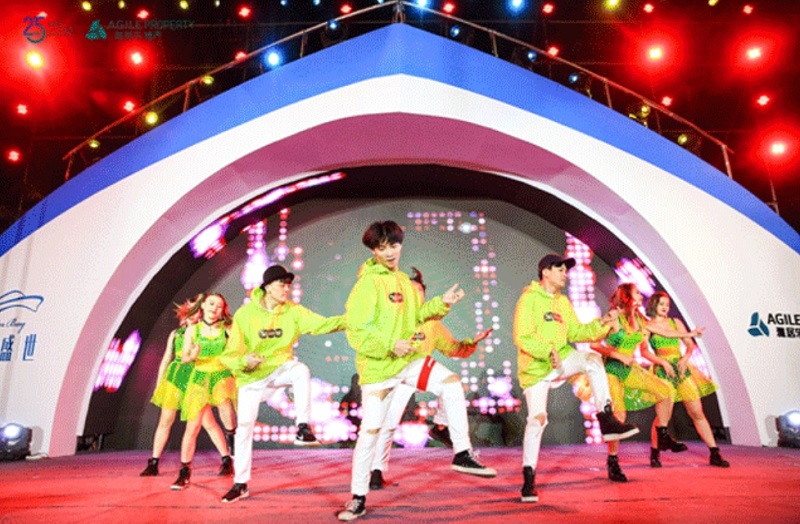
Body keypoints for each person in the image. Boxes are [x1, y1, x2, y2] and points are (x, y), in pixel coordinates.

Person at [337, 221, 494, 522]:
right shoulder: (367, 285)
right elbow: (356, 331)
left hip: (407, 361)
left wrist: (441, 304)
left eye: (394, 245)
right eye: (382, 247)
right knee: (371, 432)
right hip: (379, 368)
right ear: (374, 250)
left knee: (451, 383)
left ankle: (462, 452)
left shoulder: (403, 283)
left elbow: (417, 316)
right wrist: (388, 344)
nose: (390, 252)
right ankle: (358, 497)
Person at [513, 254, 643, 503]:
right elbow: (522, 336)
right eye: (560, 269)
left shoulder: (562, 302)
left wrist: (602, 323)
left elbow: (576, 332)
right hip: (536, 368)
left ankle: (606, 418)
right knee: (537, 420)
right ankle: (529, 478)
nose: (565, 274)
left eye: (566, 270)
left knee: (592, 360)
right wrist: (547, 351)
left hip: (562, 358)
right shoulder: (528, 299)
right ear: (545, 272)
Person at [218, 264, 345, 504]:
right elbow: (229, 355)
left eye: (288, 285)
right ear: (267, 287)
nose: (286, 289)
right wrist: (245, 360)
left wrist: (350, 320)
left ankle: (303, 427)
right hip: (252, 377)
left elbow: (322, 324)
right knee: (244, 428)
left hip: (279, 370)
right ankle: (241, 483)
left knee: (300, 370)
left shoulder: (293, 311)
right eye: (281, 284)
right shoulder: (246, 315)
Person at [368, 267, 493, 490]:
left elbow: (453, 348)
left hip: (417, 370)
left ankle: (453, 441)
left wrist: (471, 342)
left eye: (420, 292)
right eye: (412, 292)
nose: (417, 296)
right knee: (387, 423)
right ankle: (375, 471)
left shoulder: (432, 324)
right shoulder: (392, 317)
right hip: (393, 373)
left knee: (451, 383)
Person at [590, 283, 703, 483]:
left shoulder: (642, 321)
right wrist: (618, 355)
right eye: (637, 293)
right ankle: (613, 461)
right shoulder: (615, 318)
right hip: (612, 371)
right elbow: (594, 344)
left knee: (664, 390)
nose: (641, 296)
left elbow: (667, 333)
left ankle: (663, 434)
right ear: (627, 297)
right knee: (619, 416)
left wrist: (689, 335)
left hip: (630, 370)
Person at [140, 294, 233, 477]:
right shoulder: (176, 334)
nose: (193, 315)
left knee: (207, 422)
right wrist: (160, 383)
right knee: (165, 420)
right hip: (176, 379)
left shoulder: (204, 331)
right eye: (189, 312)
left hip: (197, 378)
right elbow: (167, 359)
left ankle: (226, 458)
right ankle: (154, 462)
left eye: (195, 312)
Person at [645, 291, 730, 468]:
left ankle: (714, 452)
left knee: (697, 412)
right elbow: (644, 351)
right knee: (663, 417)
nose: (665, 307)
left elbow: (690, 344)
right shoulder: (647, 326)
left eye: (667, 304)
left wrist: (685, 358)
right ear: (653, 305)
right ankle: (655, 453)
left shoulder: (675, 322)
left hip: (681, 369)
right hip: (663, 371)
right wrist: (662, 362)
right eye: (661, 304)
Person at [170, 293, 237, 490]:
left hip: (220, 374)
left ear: (223, 310)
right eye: (211, 304)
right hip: (199, 377)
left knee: (225, 405)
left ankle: (231, 437)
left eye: (219, 306)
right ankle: (184, 472)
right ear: (203, 306)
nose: (214, 308)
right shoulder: (193, 329)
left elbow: (235, 352)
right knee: (193, 426)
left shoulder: (226, 329)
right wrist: (192, 355)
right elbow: (184, 358)